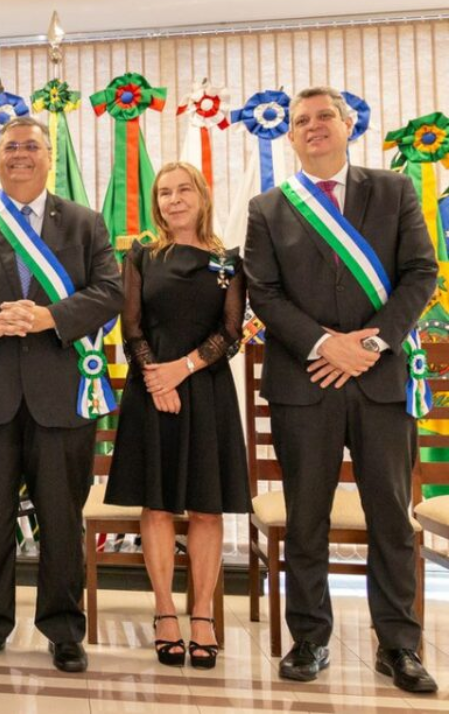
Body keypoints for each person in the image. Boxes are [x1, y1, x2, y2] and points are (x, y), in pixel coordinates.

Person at [245, 86, 438, 693]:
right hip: (305, 382)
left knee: (391, 518)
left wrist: (371, 344)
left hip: (381, 381)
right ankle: (309, 639)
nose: (313, 126)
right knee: (306, 517)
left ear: (348, 124)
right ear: (290, 135)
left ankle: (399, 646)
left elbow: (421, 272)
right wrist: (326, 345)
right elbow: (263, 292)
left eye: (324, 115)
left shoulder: (394, 190)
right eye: (301, 120)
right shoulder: (268, 207)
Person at [0, 116, 122, 671]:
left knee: (62, 517)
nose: (19, 155)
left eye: (30, 146)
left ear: (48, 155)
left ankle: (63, 628)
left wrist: (47, 318)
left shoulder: (84, 222)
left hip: (62, 394)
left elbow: (110, 291)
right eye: (9, 147)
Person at [103, 162, 249, 669]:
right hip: (152, 391)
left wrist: (181, 370)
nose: (174, 199)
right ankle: (165, 611)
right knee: (159, 505)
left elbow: (231, 332)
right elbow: (131, 326)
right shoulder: (142, 256)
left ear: (202, 195)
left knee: (207, 508)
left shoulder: (229, 262)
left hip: (206, 391)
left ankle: (202, 614)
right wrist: (155, 378)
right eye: (164, 192)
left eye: (184, 189)